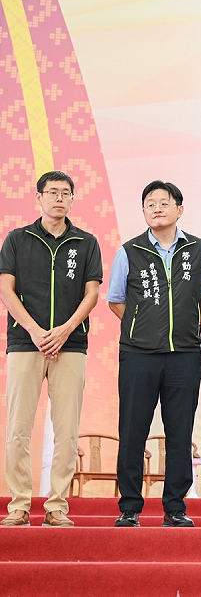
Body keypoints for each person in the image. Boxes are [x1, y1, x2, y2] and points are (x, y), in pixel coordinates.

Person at [107, 180, 201, 527]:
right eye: (150, 203)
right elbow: (116, 300)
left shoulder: (198, 249)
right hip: (138, 355)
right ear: (144, 211)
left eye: (164, 202)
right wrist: (142, 328)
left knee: (180, 432)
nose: (156, 208)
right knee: (133, 430)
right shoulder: (129, 251)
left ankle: (175, 507)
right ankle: (129, 507)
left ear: (179, 210)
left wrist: (188, 328)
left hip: (184, 354)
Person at [1, 171, 103, 527]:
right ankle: (19, 505)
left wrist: (65, 330)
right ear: (39, 198)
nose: (59, 198)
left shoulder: (86, 242)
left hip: (70, 345)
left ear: (73, 199)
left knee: (67, 429)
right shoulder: (17, 239)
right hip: (24, 343)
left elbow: (92, 293)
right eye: (52, 192)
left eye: (65, 193)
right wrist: (34, 330)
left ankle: (57, 505)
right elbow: (6, 289)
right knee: (18, 427)